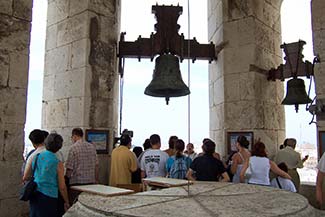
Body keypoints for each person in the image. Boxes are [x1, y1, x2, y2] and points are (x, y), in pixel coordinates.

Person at [23, 133, 70, 217]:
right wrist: (66, 200)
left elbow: (27, 175)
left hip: (35, 193)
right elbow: (62, 186)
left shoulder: (36, 156)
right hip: (49, 196)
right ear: (59, 146)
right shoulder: (58, 163)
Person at [65, 128, 99, 204]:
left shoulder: (73, 148)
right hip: (90, 182)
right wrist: (96, 179)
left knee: (75, 204)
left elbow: (69, 168)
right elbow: (96, 165)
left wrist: (67, 179)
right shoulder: (92, 147)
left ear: (74, 136)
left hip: (76, 183)